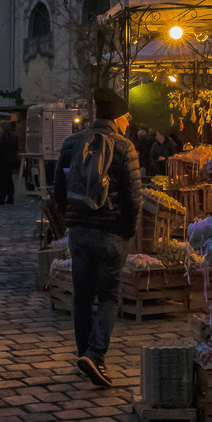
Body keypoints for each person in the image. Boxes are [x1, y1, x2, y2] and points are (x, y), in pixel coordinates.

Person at [53, 87, 142, 388]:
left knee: (82, 295)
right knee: (109, 296)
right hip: (111, 234)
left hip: (78, 232)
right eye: (127, 116)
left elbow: (58, 192)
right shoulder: (124, 147)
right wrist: (127, 229)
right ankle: (95, 354)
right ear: (117, 117)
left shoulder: (70, 144)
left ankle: (84, 355)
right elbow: (134, 197)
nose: (129, 122)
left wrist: (71, 220)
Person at [0, 121, 20, 205]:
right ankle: (10, 197)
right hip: (9, 162)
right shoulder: (13, 137)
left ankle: (1, 198)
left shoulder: (1, 138)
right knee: (8, 180)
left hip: (1, 162)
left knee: (1, 180)